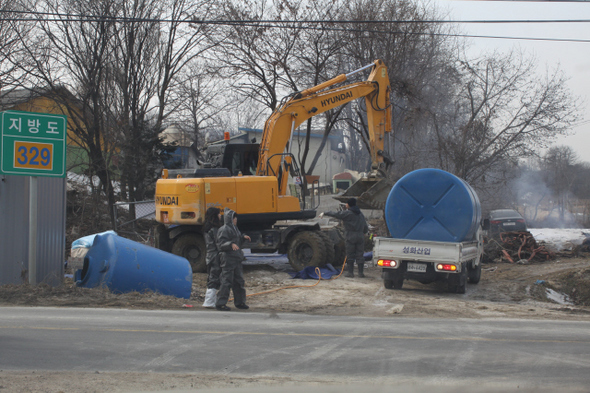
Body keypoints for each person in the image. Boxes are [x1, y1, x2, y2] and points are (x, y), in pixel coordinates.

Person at [320, 198, 369, 278]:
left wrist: (325, 213)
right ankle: (361, 273)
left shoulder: (348, 213)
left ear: (349, 204)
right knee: (360, 255)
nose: (345, 205)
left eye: (346, 203)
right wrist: (362, 233)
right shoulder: (360, 214)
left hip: (350, 236)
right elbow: (365, 227)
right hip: (360, 236)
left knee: (350, 254)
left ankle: (350, 273)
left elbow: (336, 214)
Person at [215, 208, 251, 311]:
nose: (236, 220)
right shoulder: (224, 229)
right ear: (230, 219)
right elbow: (220, 244)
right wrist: (230, 244)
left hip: (236, 258)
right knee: (226, 281)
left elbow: (237, 240)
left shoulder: (235, 228)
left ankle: (240, 302)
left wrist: (243, 237)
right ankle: (220, 303)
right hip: (228, 259)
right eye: (234, 218)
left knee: (239, 281)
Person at [202, 207, 222, 308]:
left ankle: (211, 301)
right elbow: (219, 243)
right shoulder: (214, 229)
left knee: (211, 276)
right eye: (218, 214)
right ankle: (209, 301)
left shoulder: (206, 228)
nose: (220, 215)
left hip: (210, 255)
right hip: (215, 255)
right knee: (214, 277)